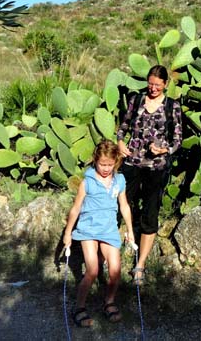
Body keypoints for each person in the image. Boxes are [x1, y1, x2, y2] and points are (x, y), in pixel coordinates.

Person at [117, 64, 182, 286]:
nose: (153, 88)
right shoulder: (136, 100)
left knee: (150, 212)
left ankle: (140, 265)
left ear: (165, 84)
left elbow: (177, 140)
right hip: (132, 162)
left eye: (157, 84)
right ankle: (112, 251)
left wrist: (164, 150)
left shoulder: (172, 106)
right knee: (121, 203)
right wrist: (119, 143)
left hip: (157, 167)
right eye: (150, 83)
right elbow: (124, 125)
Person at [63, 140, 134, 327]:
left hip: (109, 230)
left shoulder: (119, 181)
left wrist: (130, 231)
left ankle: (109, 302)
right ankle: (79, 307)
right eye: (102, 164)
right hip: (88, 230)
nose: (106, 168)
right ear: (96, 160)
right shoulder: (87, 182)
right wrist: (68, 233)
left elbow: (124, 206)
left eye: (110, 165)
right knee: (93, 270)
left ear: (116, 162)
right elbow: (76, 208)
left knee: (115, 271)